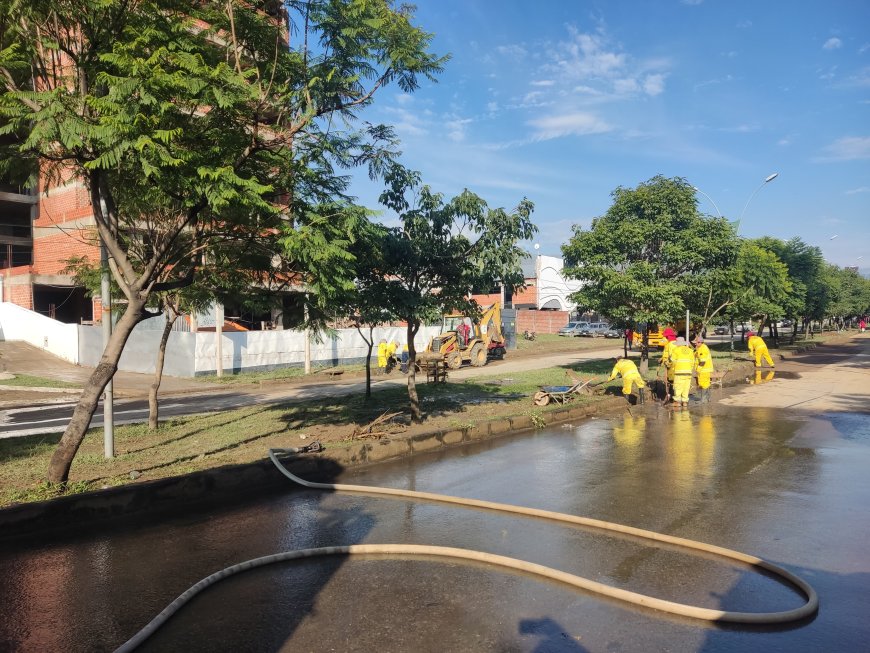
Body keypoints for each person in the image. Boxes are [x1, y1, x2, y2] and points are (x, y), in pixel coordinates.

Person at [670, 337, 696, 408]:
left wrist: (669, 365)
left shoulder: (676, 350)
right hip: (688, 373)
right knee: (686, 387)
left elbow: (673, 361)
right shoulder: (690, 350)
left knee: (678, 387)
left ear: (678, 343)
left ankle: (677, 402)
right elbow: (692, 362)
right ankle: (685, 402)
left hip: (679, 372)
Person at [693, 335, 714, 403]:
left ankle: (703, 400)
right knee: (706, 384)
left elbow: (702, 361)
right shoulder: (701, 348)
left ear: (700, 342)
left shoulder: (703, 349)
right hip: (706, 370)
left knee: (703, 384)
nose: (695, 344)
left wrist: (698, 369)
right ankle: (707, 399)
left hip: (703, 370)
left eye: (696, 343)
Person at [659, 329, 678, 398]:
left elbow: (671, 356)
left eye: (666, 337)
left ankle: (674, 396)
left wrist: (667, 363)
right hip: (671, 365)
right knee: (671, 380)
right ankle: (671, 395)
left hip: (672, 366)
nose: (664, 338)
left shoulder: (672, 344)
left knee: (672, 381)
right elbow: (666, 353)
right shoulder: (669, 343)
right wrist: (662, 359)